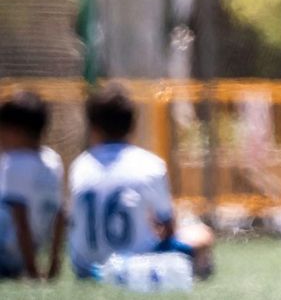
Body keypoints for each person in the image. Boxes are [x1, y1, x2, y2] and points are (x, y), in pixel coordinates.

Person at [68, 85, 213, 279]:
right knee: (202, 234)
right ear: (132, 125)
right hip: (135, 265)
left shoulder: (79, 166)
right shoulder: (150, 164)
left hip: (85, 268)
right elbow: (168, 229)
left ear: (93, 126)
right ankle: (196, 272)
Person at [0, 91, 64, 280]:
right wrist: (54, 262)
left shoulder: (14, 163)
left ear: (15, 131)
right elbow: (60, 214)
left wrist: (32, 271)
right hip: (27, 254)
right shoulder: (53, 161)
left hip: (6, 257)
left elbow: (20, 219)